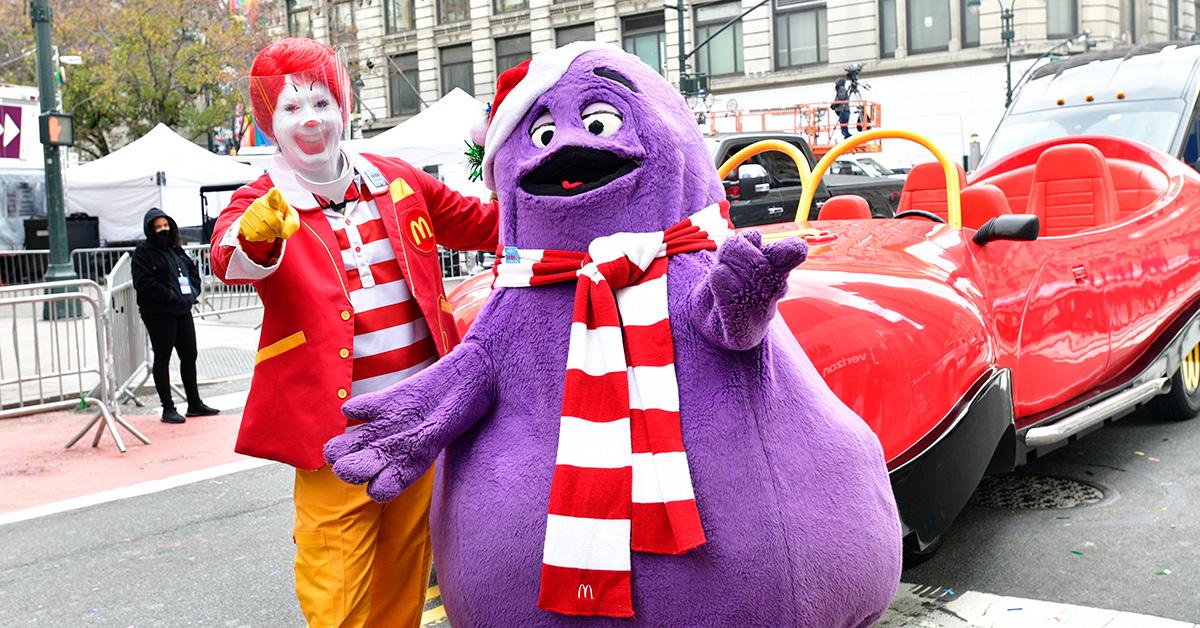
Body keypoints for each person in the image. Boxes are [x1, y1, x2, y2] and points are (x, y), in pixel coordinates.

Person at [209, 37, 499, 627]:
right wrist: (259, 233)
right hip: (334, 430)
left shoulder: (395, 179)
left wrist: (551, 192)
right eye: (291, 109)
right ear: (270, 123)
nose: (310, 120)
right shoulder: (261, 199)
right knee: (335, 592)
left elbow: (479, 224)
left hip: (417, 417)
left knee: (405, 578)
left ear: (343, 108)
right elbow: (229, 255)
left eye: (320, 102)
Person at [131, 208, 219, 424]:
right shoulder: (143, 252)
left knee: (189, 355)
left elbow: (192, 272)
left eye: (165, 226)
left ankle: (194, 403)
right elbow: (144, 284)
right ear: (150, 230)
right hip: (159, 312)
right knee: (163, 357)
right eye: (158, 227)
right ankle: (167, 407)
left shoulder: (176, 249)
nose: (163, 230)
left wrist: (193, 292)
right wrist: (171, 296)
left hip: (182, 309)